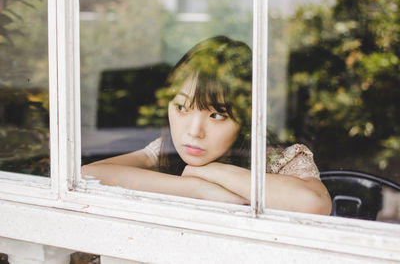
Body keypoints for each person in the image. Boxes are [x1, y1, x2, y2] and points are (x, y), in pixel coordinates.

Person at [82, 36, 332, 215]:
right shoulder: (166, 150)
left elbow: (313, 204)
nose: (193, 132)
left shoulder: (282, 160)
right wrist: (194, 188)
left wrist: (212, 172)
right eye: (181, 108)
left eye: (217, 115)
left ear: (246, 119)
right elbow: (87, 176)